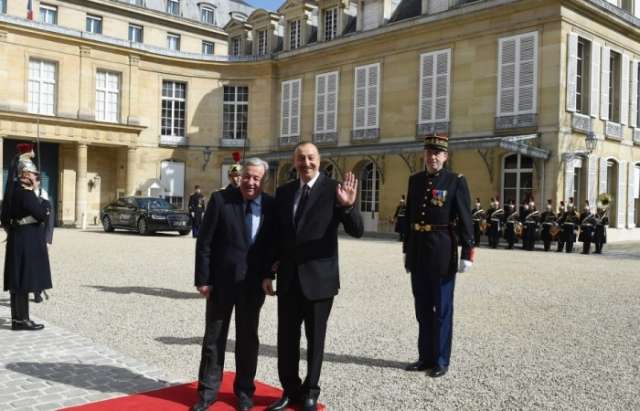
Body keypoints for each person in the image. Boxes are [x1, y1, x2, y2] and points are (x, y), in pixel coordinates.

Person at [262, 142, 363, 411]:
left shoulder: (334, 189)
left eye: (310, 158)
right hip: (288, 279)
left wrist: (348, 207)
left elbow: (357, 231)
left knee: (315, 339)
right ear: (294, 162)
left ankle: (311, 390)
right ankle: (290, 390)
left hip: (319, 279)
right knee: (286, 339)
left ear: (319, 160)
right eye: (300, 158)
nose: (306, 163)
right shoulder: (284, 192)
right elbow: (275, 237)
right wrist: (267, 272)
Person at [191, 158, 276, 411]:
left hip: (252, 286)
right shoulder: (221, 200)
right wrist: (203, 280)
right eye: (248, 176)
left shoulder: (271, 206)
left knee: (248, 340)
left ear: (264, 181)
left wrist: (270, 273)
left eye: (256, 178)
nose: (251, 182)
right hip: (221, 283)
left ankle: (244, 393)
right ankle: (207, 392)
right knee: (214, 339)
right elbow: (204, 242)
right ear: (241, 176)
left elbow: (273, 245)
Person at [403, 133, 474, 378]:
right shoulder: (415, 180)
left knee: (442, 310)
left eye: (437, 153)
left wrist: (468, 252)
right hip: (419, 253)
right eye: (429, 152)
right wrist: (407, 250)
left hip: (442, 253)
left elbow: (466, 218)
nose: (432, 157)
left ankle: (442, 360)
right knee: (422, 309)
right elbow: (410, 216)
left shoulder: (455, 181)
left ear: (445, 156)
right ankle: (425, 357)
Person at [2, 143, 52, 331]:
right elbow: (42, 214)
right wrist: (42, 201)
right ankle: (23, 320)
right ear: (26, 175)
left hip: (17, 238)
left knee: (18, 282)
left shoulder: (13, 192)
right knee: (24, 281)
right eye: (34, 175)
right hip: (27, 241)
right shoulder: (26, 194)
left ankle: (18, 320)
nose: (36, 178)